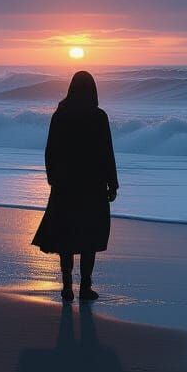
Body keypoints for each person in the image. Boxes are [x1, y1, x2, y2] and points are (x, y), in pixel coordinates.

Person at [31, 70, 118, 302]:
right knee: (90, 236)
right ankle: (86, 287)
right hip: (93, 185)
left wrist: (52, 178)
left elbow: (50, 150)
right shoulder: (99, 116)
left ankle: (67, 286)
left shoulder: (60, 115)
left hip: (65, 185)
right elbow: (106, 153)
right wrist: (113, 184)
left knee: (66, 237)